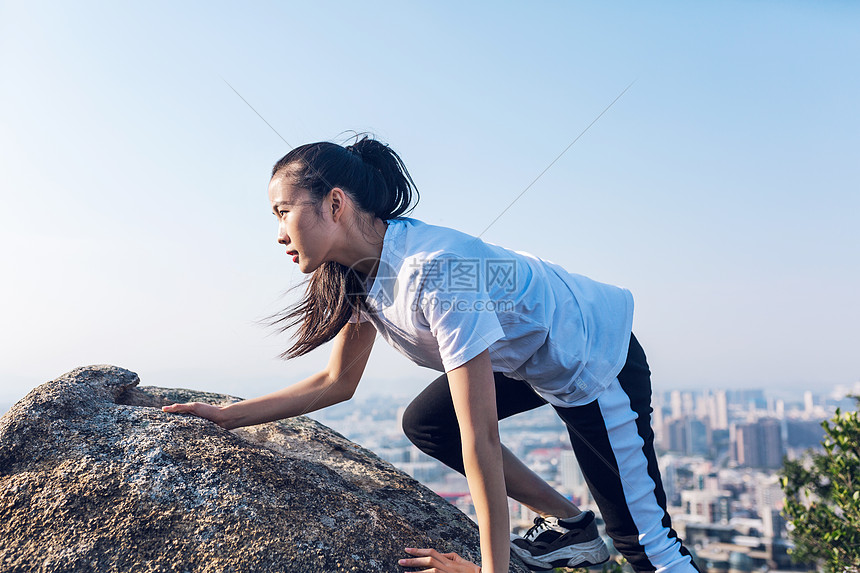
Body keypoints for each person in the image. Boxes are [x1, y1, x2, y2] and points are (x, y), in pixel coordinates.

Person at [163, 136, 700, 573]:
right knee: (428, 422)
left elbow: (482, 437)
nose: (279, 233)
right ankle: (570, 529)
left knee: (645, 546)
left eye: (283, 212)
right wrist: (225, 417)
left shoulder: (437, 271)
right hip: (529, 353)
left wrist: (491, 572)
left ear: (334, 202)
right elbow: (336, 383)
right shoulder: (359, 273)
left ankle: (602, 541)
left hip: (593, 357)